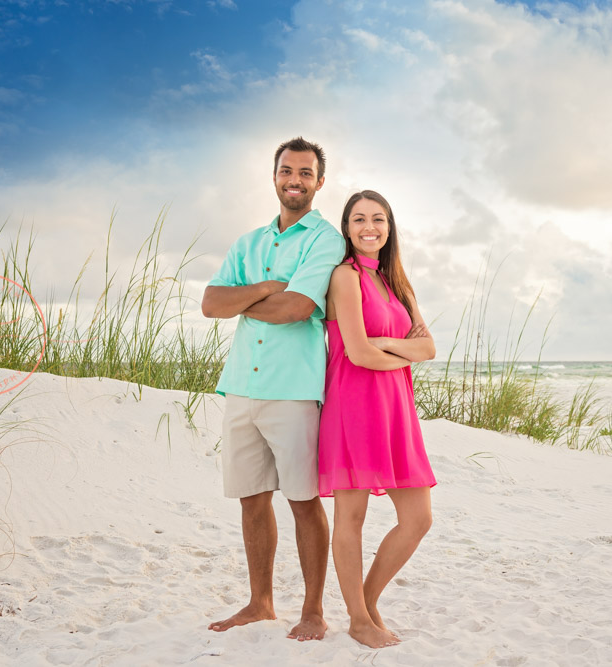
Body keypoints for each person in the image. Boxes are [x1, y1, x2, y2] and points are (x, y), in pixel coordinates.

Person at [201, 137, 345, 641]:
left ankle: (312, 610)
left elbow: (298, 309)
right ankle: (260, 603)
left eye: (305, 173)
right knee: (250, 498)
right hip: (241, 386)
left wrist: (247, 297)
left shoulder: (326, 239)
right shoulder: (249, 243)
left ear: (319, 182)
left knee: (303, 500)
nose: (295, 180)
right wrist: (267, 287)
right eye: (287, 170)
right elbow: (210, 304)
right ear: (274, 175)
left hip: (294, 390)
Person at [318, 190, 437, 649]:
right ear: (347, 228)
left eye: (379, 219)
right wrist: (394, 349)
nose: (370, 227)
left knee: (418, 518)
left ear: (389, 227)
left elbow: (428, 349)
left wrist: (385, 347)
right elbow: (357, 351)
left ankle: (364, 603)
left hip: (396, 409)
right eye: (360, 219)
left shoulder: (398, 283)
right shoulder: (344, 278)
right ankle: (359, 617)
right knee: (352, 515)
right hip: (353, 405)